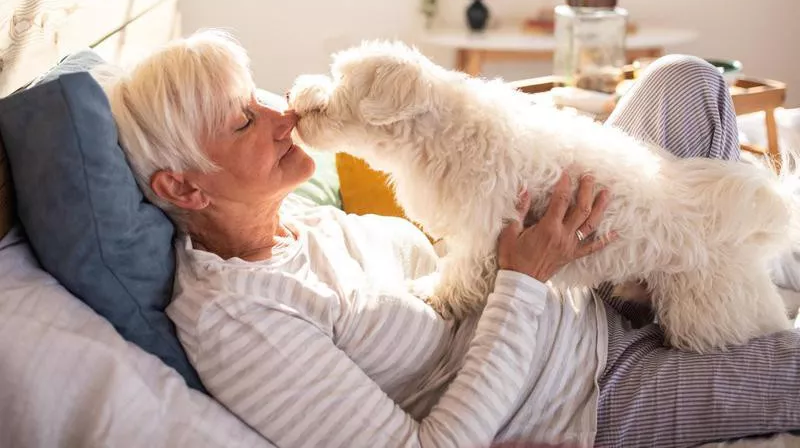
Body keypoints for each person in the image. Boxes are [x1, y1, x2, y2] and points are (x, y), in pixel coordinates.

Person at [105, 30, 800, 448]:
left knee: (684, 82)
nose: (279, 113)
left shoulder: (301, 221)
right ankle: (744, 276)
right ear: (184, 189)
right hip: (588, 388)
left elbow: (458, 244)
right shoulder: (240, 321)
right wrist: (525, 279)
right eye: (241, 122)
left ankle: (730, 266)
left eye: (255, 95)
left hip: (580, 269)